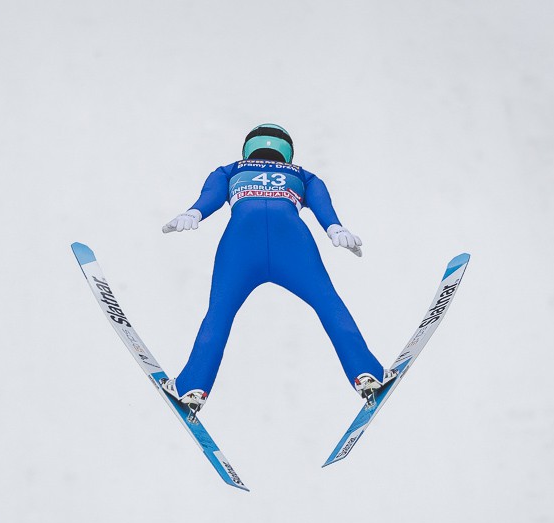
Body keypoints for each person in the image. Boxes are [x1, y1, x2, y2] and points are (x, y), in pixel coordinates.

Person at [161, 123, 394, 414]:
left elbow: (211, 195)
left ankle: (192, 386)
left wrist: (194, 212)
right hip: (292, 243)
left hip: (241, 243)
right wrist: (335, 228)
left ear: (247, 148)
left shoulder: (229, 170)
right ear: (289, 153)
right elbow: (321, 203)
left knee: (219, 312)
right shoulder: (304, 175)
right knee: (328, 302)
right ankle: (366, 372)